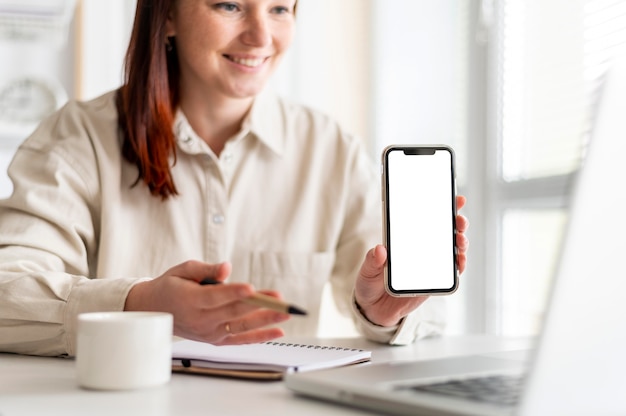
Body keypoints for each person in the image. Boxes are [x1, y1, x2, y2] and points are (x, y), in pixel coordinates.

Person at [0, 0, 468, 357]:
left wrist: (381, 312)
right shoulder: (77, 137)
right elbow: (8, 295)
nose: (261, 35)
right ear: (167, 17)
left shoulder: (331, 150)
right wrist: (140, 303)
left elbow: (424, 313)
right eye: (230, 5)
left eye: (280, 8)